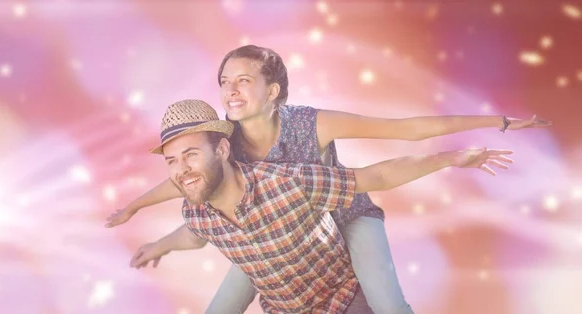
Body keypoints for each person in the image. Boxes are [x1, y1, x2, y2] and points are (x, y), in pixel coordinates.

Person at [107, 46, 550, 313]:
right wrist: (135, 208)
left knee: (389, 304)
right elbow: (188, 178)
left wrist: (498, 122)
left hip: (343, 213)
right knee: (222, 306)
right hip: (280, 237)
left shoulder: (309, 124)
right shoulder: (224, 142)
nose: (231, 91)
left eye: (244, 80)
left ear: (274, 90)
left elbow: (403, 131)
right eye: (225, 82)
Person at [129, 99, 514, 314]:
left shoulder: (287, 181)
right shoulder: (196, 212)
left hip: (343, 302)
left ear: (224, 149)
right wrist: (159, 246)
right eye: (172, 161)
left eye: (191, 155)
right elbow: (193, 236)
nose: (181, 171)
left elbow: (373, 178)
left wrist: (450, 158)